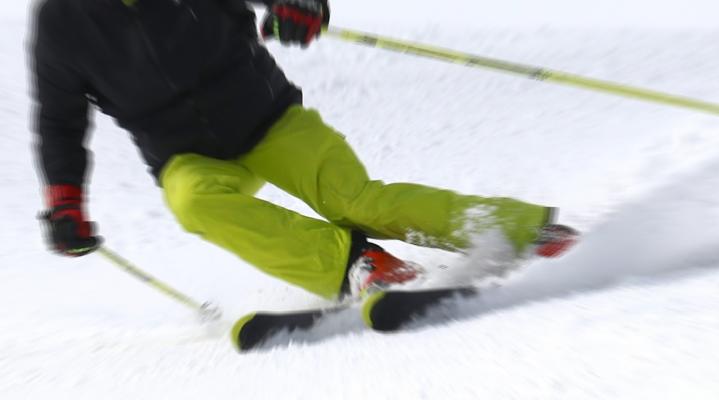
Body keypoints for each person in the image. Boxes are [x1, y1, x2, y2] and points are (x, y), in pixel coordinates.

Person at [32, 0, 578, 301]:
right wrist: (65, 204)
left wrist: (303, 5)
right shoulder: (61, 24)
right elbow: (59, 120)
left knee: (357, 201)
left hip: (267, 117)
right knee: (193, 202)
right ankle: (357, 265)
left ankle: (523, 229)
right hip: (185, 154)